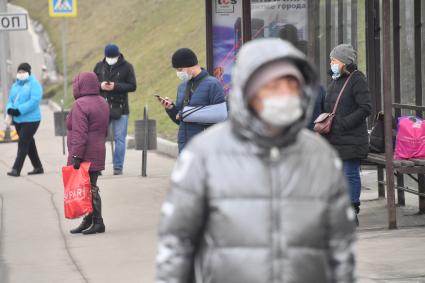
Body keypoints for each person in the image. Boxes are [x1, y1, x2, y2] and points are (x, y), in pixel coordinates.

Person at [155, 39, 356, 283]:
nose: (281, 97)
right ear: (248, 90)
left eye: (289, 87)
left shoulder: (319, 156)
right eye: (270, 87)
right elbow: (177, 247)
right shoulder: (204, 156)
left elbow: (340, 250)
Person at [323, 43, 372, 225]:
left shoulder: (357, 79)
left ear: (344, 61)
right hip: (335, 137)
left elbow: (365, 107)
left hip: (351, 137)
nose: (331, 62)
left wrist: (344, 123)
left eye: (334, 59)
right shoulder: (336, 79)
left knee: (350, 173)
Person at [159, 48, 225, 152]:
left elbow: (221, 116)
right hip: (184, 146)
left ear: (190, 66)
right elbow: (181, 120)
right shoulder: (182, 87)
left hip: (205, 147)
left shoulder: (213, 84)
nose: (178, 73)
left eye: (180, 69)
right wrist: (171, 108)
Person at [67, 72, 109, 235]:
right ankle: (89, 220)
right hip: (98, 149)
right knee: (90, 186)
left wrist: (76, 156)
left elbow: (80, 133)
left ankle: (98, 222)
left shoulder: (80, 104)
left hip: (84, 153)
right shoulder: (102, 101)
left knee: (89, 188)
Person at [94, 44, 137, 175]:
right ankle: (97, 166)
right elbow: (91, 84)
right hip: (102, 108)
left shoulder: (127, 67)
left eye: (113, 57)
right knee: (98, 138)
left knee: (120, 138)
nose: (111, 59)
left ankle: (118, 166)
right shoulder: (99, 66)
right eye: (108, 57)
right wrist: (100, 85)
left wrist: (115, 86)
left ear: (118, 55)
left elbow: (132, 86)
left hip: (121, 108)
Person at [6, 63, 44, 177]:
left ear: (29, 72)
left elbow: (34, 101)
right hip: (18, 120)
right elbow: (10, 100)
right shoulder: (15, 86)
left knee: (23, 142)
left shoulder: (34, 84)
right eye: (19, 71)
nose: (21, 74)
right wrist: (9, 109)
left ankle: (16, 169)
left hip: (32, 120)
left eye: (23, 71)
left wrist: (19, 110)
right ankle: (38, 167)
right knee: (29, 142)